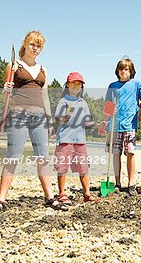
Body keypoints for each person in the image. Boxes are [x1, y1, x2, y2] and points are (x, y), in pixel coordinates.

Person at [0, 31, 65, 211]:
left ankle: (50, 197)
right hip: (18, 115)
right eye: (33, 44)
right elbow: (6, 95)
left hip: (39, 116)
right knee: (13, 157)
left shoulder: (43, 70)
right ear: (25, 43)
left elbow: (45, 96)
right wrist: (5, 90)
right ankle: (1, 199)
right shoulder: (14, 66)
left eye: (39, 46)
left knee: (43, 158)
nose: (35, 48)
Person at [53, 72, 100, 204]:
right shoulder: (63, 101)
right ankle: (62, 193)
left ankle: (86, 193)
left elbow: (87, 122)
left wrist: (98, 124)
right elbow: (58, 118)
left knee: (83, 168)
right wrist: (65, 117)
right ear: (67, 85)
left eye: (79, 84)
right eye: (73, 83)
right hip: (65, 139)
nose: (76, 86)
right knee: (62, 167)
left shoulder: (83, 102)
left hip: (80, 140)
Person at [103, 57, 141, 196]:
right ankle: (117, 183)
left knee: (130, 153)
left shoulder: (136, 84)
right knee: (116, 154)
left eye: (126, 69)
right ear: (117, 71)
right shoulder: (112, 86)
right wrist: (105, 120)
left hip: (129, 125)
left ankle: (131, 183)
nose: (123, 72)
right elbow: (108, 106)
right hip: (114, 125)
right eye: (121, 69)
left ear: (131, 71)